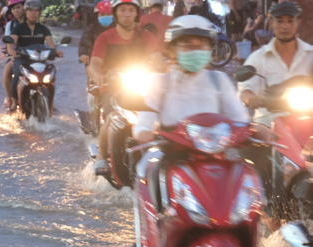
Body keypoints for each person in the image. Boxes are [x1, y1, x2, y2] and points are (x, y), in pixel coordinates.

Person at [134, 15, 249, 145]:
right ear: (173, 50)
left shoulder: (218, 80)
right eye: (188, 46)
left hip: (216, 155)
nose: (196, 51)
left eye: (202, 46)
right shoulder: (159, 82)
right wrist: (144, 131)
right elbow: (145, 122)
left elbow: (240, 119)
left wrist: (254, 129)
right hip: (172, 155)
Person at [88, 0, 164, 173]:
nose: (127, 14)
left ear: (137, 14)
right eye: (122, 10)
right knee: (111, 114)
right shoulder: (105, 37)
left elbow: (159, 61)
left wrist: (165, 71)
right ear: (116, 14)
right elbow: (95, 64)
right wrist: (98, 75)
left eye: (131, 10)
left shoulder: (146, 36)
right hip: (114, 87)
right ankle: (101, 155)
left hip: (145, 86)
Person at [239, 2, 313, 131]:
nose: (285, 26)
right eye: (280, 21)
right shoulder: (258, 57)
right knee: (248, 145)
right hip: (268, 125)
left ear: (298, 22)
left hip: (307, 124)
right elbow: (245, 87)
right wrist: (250, 97)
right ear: (271, 22)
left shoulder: (311, 54)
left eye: (290, 21)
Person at [7, 0, 62, 111]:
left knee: (51, 75)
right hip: (22, 59)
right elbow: (11, 42)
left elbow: (50, 43)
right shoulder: (18, 28)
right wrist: (12, 51)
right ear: (26, 12)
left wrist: (56, 51)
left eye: (36, 11)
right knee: (17, 73)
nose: (33, 13)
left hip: (40, 59)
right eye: (30, 10)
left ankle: (50, 105)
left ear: (40, 13)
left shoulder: (43, 29)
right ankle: (14, 101)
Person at [78, 1, 114, 116]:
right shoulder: (91, 29)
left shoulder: (120, 30)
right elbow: (84, 43)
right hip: (96, 66)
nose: (105, 18)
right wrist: (83, 54)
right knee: (93, 93)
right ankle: (94, 117)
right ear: (96, 16)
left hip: (117, 67)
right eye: (102, 15)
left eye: (109, 15)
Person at [2, 0, 25, 108]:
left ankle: (50, 102)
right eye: (14, 8)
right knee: (7, 70)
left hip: (35, 56)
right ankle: (10, 98)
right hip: (17, 56)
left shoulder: (33, 23)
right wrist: (12, 53)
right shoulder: (10, 25)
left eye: (18, 7)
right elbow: (9, 44)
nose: (16, 10)